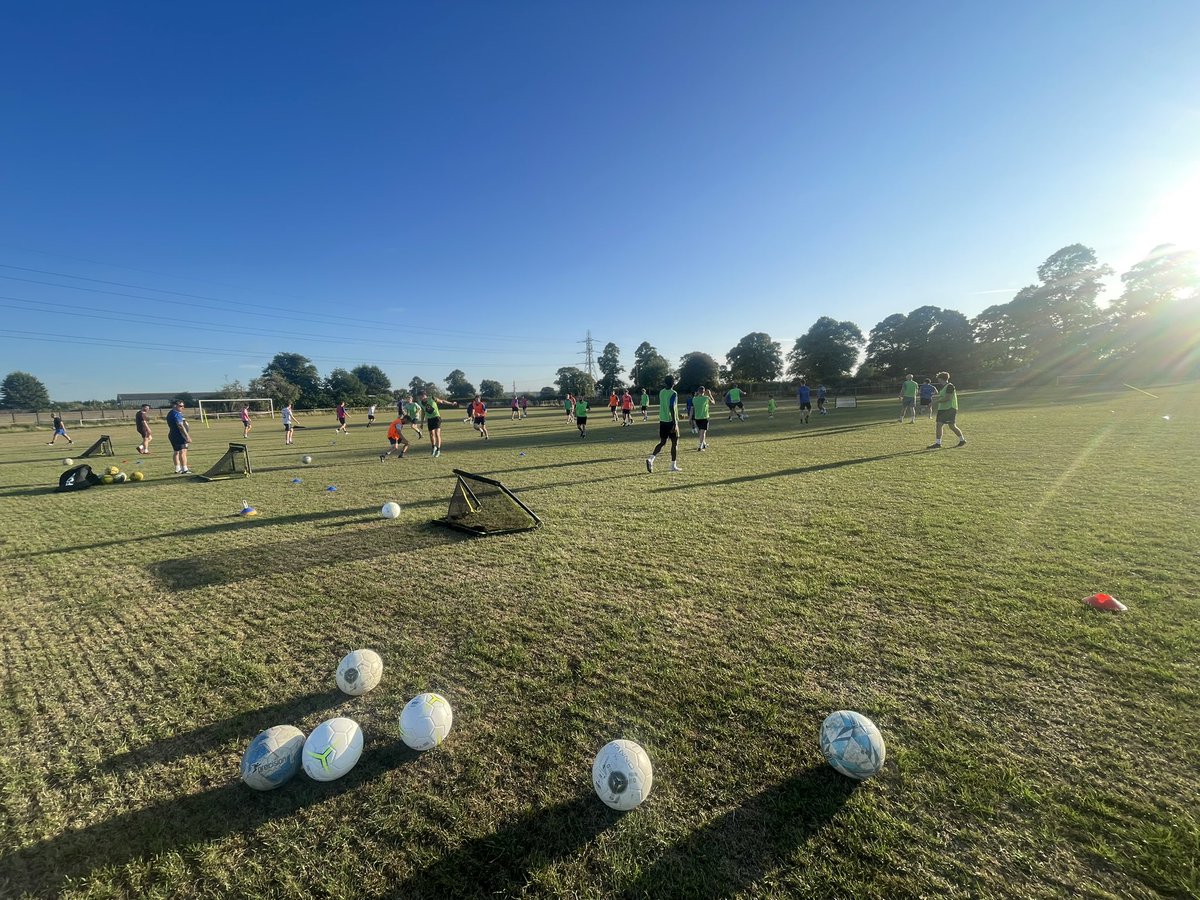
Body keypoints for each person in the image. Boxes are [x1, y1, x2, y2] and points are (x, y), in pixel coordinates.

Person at [646, 375, 681, 472]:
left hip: (663, 420)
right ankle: (673, 466)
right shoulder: (673, 393)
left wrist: (678, 414)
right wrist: (675, 423)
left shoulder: (661, 392)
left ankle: (651, 459)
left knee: (662, 442)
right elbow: (671, 407)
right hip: (670, 421)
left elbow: (667, 406)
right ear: (673, 383)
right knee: (674, 443)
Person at [927, 371, 966, 449]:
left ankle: (962, 440)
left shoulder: (950, 386)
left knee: (952, 426)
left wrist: (935, 402)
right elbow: (943, 397)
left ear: (941, 379)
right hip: (943, 409)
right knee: (939, 425)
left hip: (949, 408)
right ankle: (938, 443)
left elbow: (947, 398)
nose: (938, 380)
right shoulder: (944, 387)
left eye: (938, 379)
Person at [419, 389, 458, 457]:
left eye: (420, 396)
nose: (419, 397)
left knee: (437, 434)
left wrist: (451, 403)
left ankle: (438, 450)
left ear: (424, 395)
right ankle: (433, 447)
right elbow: (423, 412)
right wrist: (422, 422)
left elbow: (442, 401)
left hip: (436, 418)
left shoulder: (432, 398)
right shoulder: (420, 403)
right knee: (431, 434)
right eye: (419, 396)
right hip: (429, 419)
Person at [167, 399, 191, 474]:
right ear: (175, 406)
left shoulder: (171, 413)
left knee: (176, 452)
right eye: (180, 406)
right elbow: (180, 426)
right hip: (179, 435)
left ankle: (177, 468)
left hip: (172, 434)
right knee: (183, 451)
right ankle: (184, 469)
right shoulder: (176, 414)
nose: (183, 407)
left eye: (183, 406)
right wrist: (187, 436)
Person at [693, 385, 713, 451]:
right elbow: (713, 402)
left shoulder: (694, 399)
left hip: (697, 417)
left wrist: (696, 395)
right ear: (704, 391)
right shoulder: (706, 398)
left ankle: (704, 444)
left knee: (702, 432)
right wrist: (710, 395)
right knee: (703, 432)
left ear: (698, 391)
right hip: (704, 417)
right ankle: (700, 446)